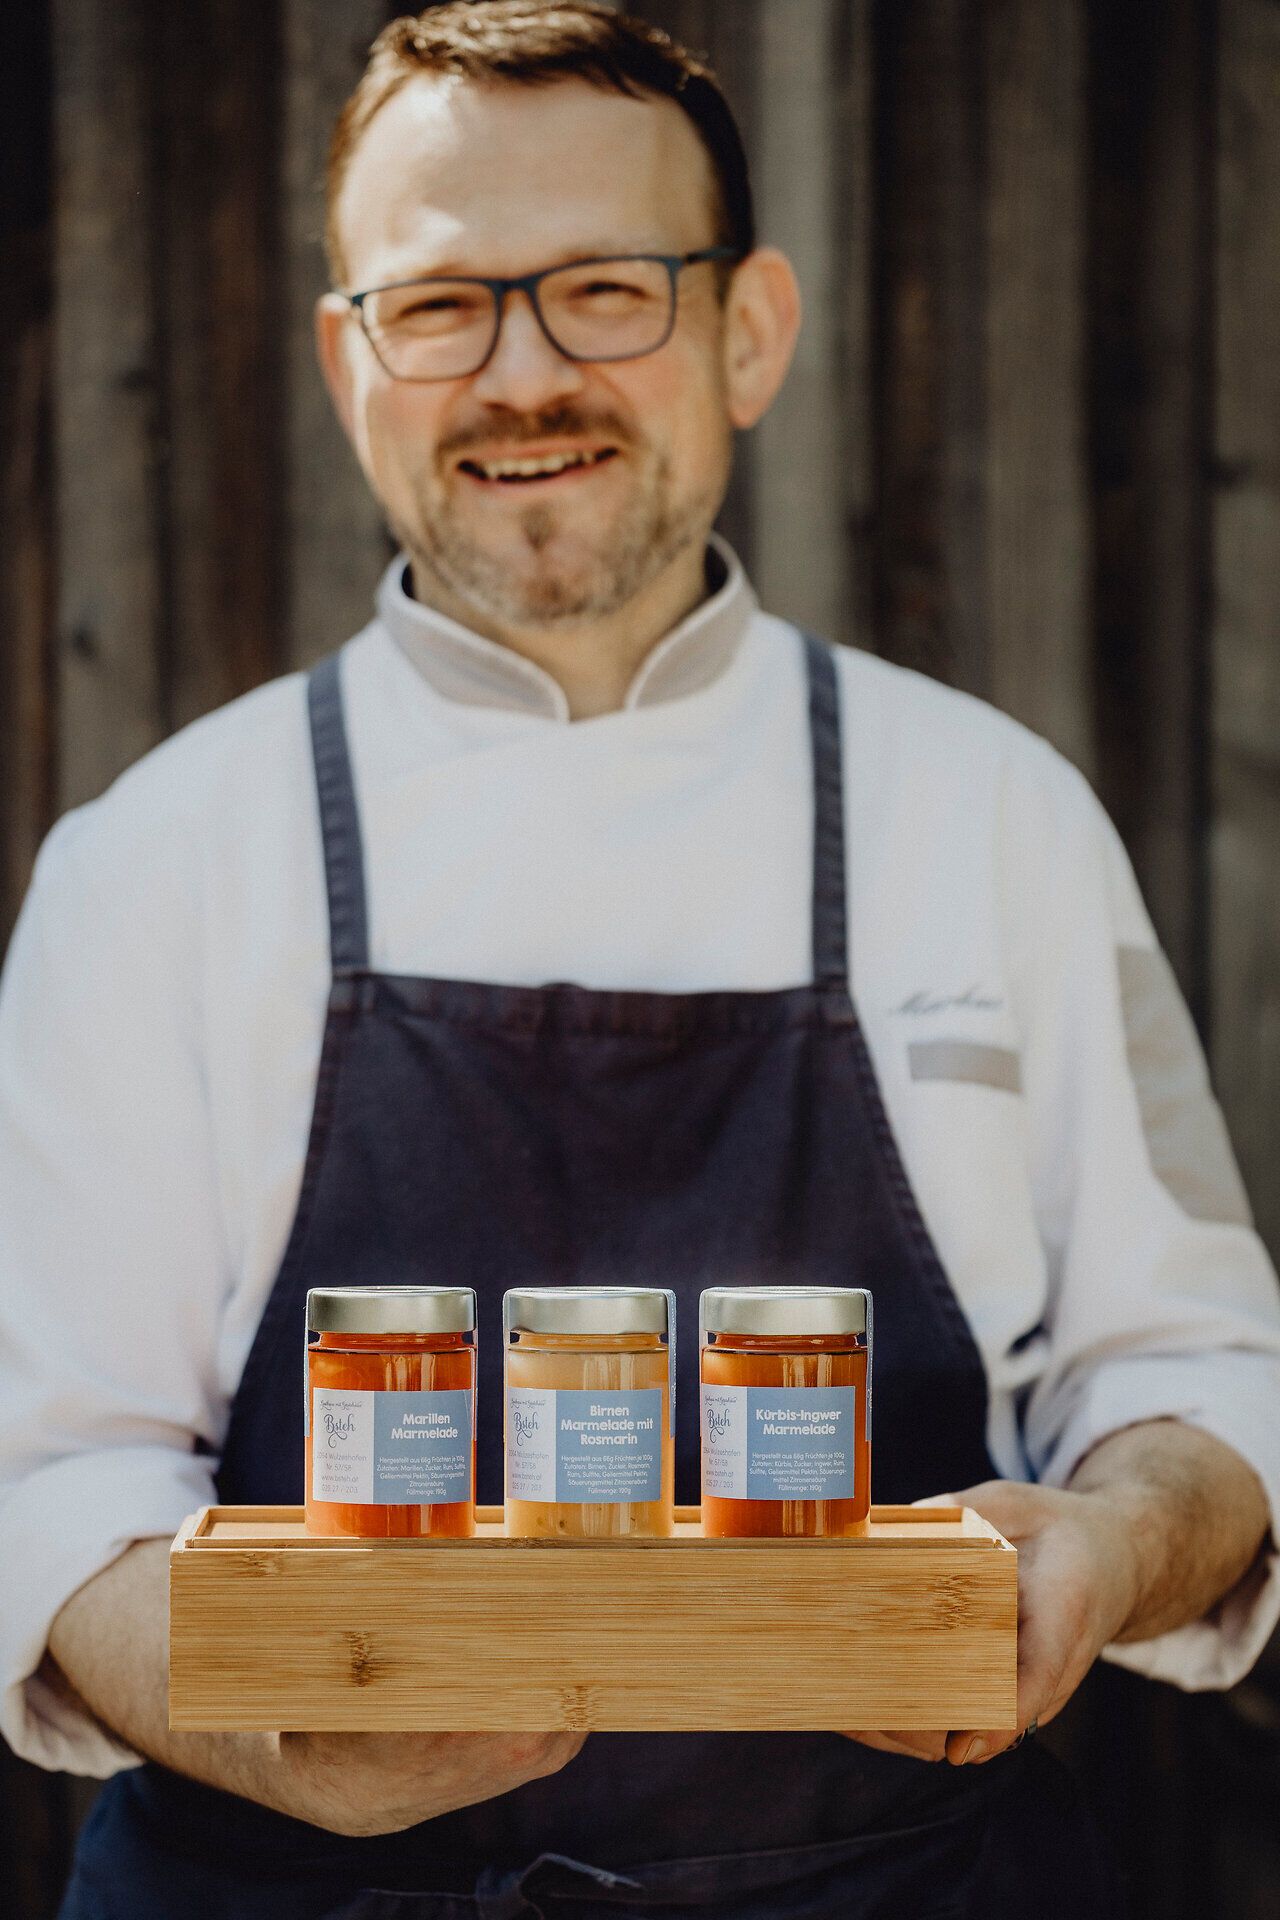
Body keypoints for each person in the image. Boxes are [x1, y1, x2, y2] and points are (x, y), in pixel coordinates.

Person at [1, 4, 1278, 1916]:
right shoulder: (156, 866)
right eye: (441, 308)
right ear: (354, 361)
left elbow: (1196, 1374)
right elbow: (49, 1479)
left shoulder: (990, 818)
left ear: (748, 330)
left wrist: (1109, 1541)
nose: (524, 376)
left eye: (607, 288)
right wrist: (277, 1729)